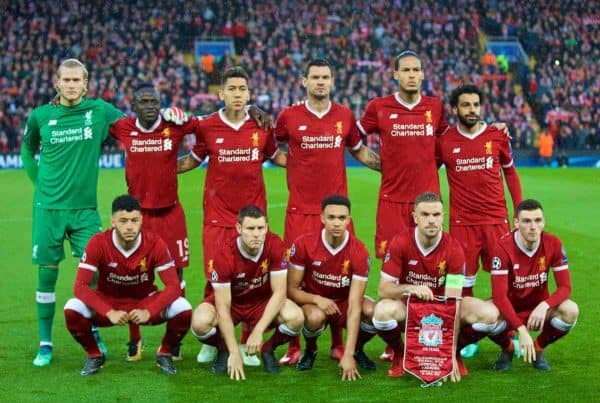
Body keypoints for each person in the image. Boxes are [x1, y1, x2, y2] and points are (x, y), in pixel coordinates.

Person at [274, 58, 380, 365]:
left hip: (336, 212)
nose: (321, 82)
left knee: (341, 279)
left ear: (332, 81)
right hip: (300, 212)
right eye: (315, 77)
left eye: (326, 77)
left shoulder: (344, 115)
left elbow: (359, 150)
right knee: (296, 281)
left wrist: (388, 167)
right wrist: (293, 163)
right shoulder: (289, 116)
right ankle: (294, 346)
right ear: (304, 81)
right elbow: (270, 146)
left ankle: (338, 342)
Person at [177, 66, 286, 365]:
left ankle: (247, 340)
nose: (237, 94)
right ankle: (213, 342)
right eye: (232, 89)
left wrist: (316, 156)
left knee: (256, 278)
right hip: (218, 218)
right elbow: (191, 161)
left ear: (249, 94)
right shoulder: (208, 126)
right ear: (221, 94)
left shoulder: (261, 126)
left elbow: (278, 157)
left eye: (243, 89)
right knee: (215, 278)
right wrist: (158, 165)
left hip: (253, 218)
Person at [21, 59, 125, 366]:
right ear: (57, 83)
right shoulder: (41, 116)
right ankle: (45, 344)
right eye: (65, 80)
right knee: (47, 275)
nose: (70, 84)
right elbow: (27, 148)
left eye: (76, 80)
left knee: (95, 274)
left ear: (86, 83)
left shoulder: (100, 111)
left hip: (84, 212)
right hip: (48, 209)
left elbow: (135, 129)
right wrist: (38, 181)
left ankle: (91, 331)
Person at [372, 192, 506, 381]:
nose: (431, 220)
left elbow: (453, 300)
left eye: (436, 215)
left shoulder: (454, 248)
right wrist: (410, 288)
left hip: (443, 309)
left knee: (489, 314)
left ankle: (456, 352)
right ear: (415, 217)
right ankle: (401, 353)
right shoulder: (400, 242)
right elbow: (383, 289)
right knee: (382, 311)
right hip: (410, 308)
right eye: (425, 215)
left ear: (443, 217)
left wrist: (449, 353)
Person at [109, 84, 199, 361]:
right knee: (133, 277)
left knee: (177, 278)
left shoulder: (174, 124)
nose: (150, 106)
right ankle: (135, 341)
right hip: (138, 218)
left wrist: (188, 161)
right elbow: (97, 115)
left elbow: (208, 127)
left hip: (170, 214)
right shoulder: (122, 127)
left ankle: (174, 342)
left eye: (154, 101)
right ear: (133, 105)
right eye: (144, 101)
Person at [436, 84, 522, 358]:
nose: (472, 110)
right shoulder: (445, 140)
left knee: (506, 283)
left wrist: (518, 210)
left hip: (497, 221)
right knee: (461, 283)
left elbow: (510, 173)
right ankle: (467, 334)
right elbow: (427, 173)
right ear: (454, 109)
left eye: (475, 104)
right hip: (462, 225)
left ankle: (508, 335)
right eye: (466, 105)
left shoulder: (497, 135)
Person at [63, 195, 192, 376]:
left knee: (183, 308)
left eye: (134, 220)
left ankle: (165, 352)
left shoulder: (155, 243)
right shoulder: (98, 243)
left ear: (141, 220)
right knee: (72, 308)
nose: (129, 226)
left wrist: (149, 310)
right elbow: (80, 286)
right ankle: (94, 355)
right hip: (109, 303)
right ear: (113, 221)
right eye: (123, 221)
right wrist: (109, 311)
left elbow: (173, 286)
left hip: (144, 303)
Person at [189, 205, 304, 380]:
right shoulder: (223, 253)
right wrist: (234, 351)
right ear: (239, 228)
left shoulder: (274, 244)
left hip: (260, 302)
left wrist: (258, 331)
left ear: (266, 227)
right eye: (250, 228)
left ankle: (268, 349)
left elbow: (279, 293)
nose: (256, 234)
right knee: (199, 323)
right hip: (232, 304)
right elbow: (223, 306)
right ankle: (223, 349)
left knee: (296, 317)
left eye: (260, 228)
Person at [287, 195, 377, 380]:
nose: (337, 223)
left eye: (342, 218)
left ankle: (357, 349)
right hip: (315, 303)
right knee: (313, 317)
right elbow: (292, 290)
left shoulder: (359, 251)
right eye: (331, 217)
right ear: (322, 218)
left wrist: (348, 354)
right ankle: (310, 350)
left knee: (373, 312)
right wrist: (317, 299)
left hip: (344, 303)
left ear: (349, 220)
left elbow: (354, 305)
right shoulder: (304, 244)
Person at [489, 199, 578, 372]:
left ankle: (538, 348)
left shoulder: (554, 243)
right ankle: (508, 348)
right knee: (485, 316)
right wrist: (521, 330)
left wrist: (544, 306)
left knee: (571, 310)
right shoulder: (501, 247)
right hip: (509, 310)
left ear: (543, 221)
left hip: (538, 310)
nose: (533, 226)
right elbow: (499, 297)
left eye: (538, 220)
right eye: (527, 221)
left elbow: (565, 287)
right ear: (516, 223)